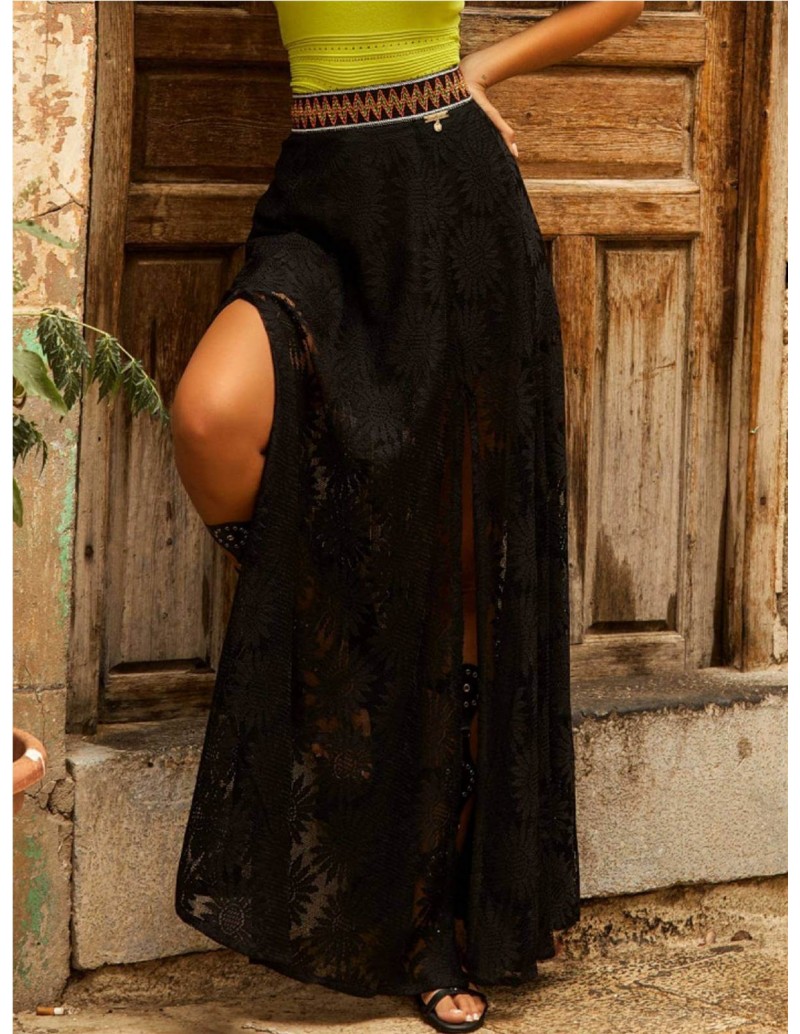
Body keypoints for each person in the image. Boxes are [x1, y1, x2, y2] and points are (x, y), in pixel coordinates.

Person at [171, 2, 645, 1031]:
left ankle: (438, 916)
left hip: (451, 200)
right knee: (210, 415)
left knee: (466, 563)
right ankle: (352, 637)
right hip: (318, 206)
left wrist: (484, 68)